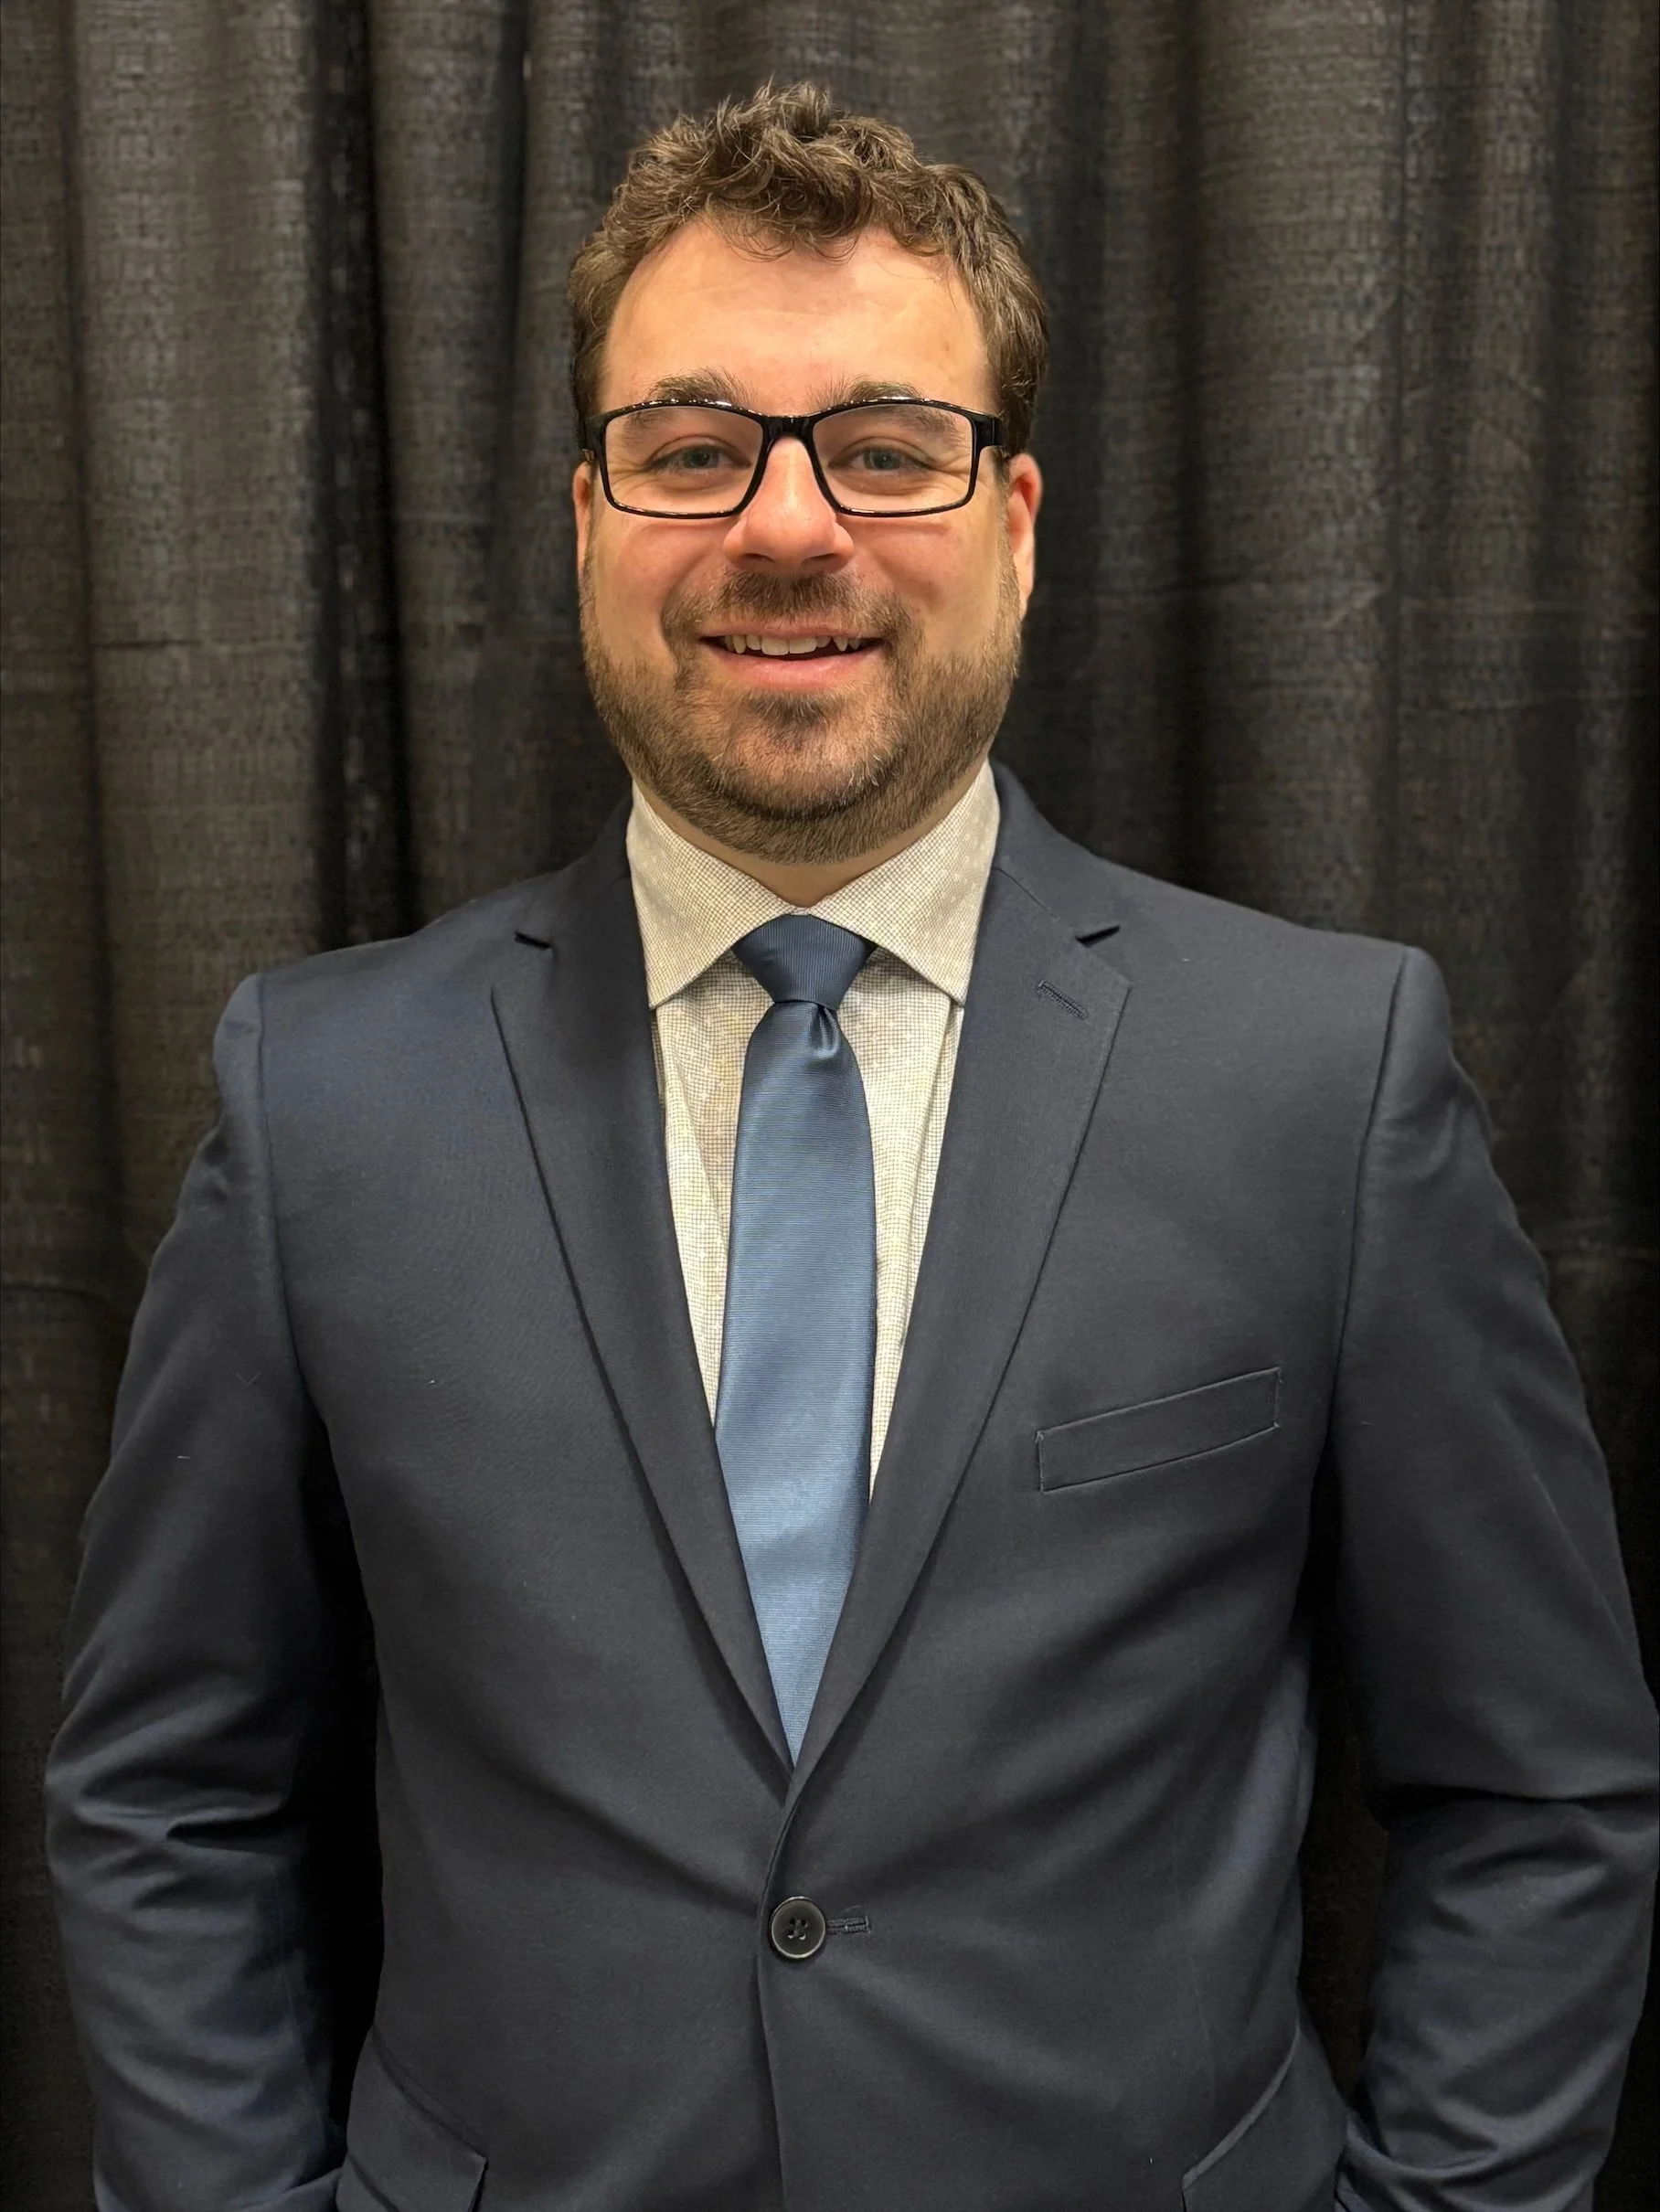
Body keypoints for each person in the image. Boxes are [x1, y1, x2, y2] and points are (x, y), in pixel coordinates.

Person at [46, 80, 1655, 2212]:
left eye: (887, 447)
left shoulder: (1322, 1078)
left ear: (1015, 520)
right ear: (585, 517)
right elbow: (169, 1791)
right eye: (690, 447)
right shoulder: (319, 1099)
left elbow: (1533, 1785)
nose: (788, 527)